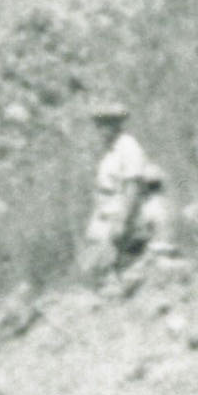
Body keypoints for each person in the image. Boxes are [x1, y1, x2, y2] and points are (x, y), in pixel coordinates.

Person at [81, 104, 169, 278]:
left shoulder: (128, 146)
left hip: (123, 211)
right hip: (106, 210)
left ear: (116, 124)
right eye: (99, 124)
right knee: (92, 263)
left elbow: (133, 185)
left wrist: (122, 220)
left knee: (109, 259)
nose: (101, 129)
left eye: (106, 124)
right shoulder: (110, 150)